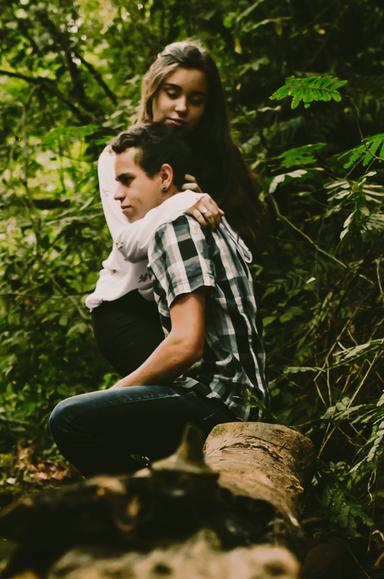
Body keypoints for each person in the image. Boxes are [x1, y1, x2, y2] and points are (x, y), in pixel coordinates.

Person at [52, 122, 267, 478]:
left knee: (70, 419)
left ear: (165, 177)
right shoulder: (199, 219)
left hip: (220, 404)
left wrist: (118, 391)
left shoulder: (175, 227)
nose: (117, 194)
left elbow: (186, 345)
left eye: (126, 180)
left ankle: (144, 518)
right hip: (237, 399)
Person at [87, 39, 264, 378]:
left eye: (196, 100)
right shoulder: (118, 157)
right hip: (130, 307)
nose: (182, 107)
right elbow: (128, 242)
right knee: (168, 407)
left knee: (189, 418)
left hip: (198, 309)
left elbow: (244, 245)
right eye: (172, 93)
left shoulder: (220, 158)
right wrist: (182, 202)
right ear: (152, 92)